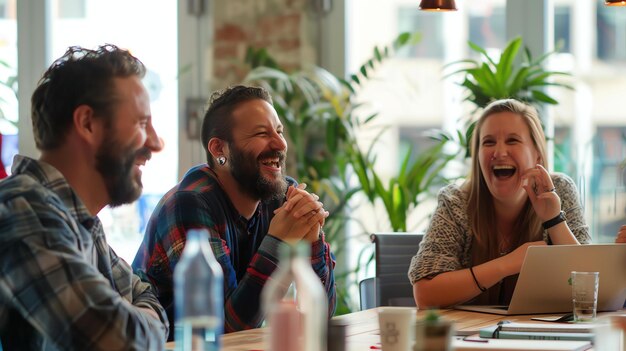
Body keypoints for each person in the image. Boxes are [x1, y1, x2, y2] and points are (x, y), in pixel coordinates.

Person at [132, 85, 336, 338]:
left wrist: (312, 241)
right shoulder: (190, 204)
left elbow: (321, 316)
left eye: (279, 131)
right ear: (219, 149)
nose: (280, 143)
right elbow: (223, 329)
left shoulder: (279, 198)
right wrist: (279, 244)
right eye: (262, 133)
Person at [0, 45, 168, 350]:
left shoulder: (78, 220)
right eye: (142, 124)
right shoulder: (22, 208)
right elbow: (120, 342)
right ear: (88, 123)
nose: (156, 143)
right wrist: (142, 319)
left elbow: (147, 296)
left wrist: (140, 317)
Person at [408, 99, 590, 308]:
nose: (500, 152)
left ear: (537, 154)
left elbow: (590, 289)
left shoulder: (560, 190)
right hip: (470, 336)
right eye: (488, 142)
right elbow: (425, 294)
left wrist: (554, 220)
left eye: (512, 140)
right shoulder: (456, 201)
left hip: (545, 336)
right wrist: (508, 264)